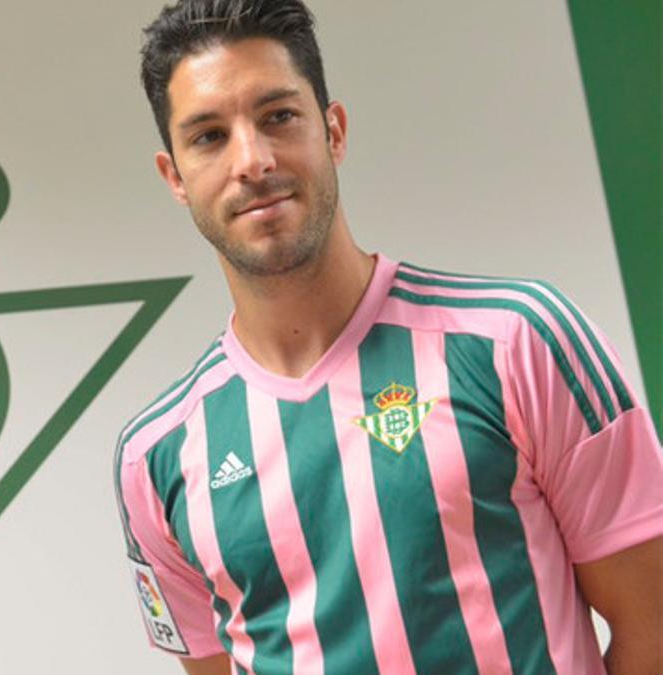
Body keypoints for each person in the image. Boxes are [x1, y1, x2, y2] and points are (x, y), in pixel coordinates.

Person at [112, 1, 663, 673]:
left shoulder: (520, 341)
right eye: (208, 136)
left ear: (334, 130)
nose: (252, 159)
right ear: (174, 177)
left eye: (278, 116)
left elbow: (654, 626)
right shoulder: (156, 457)